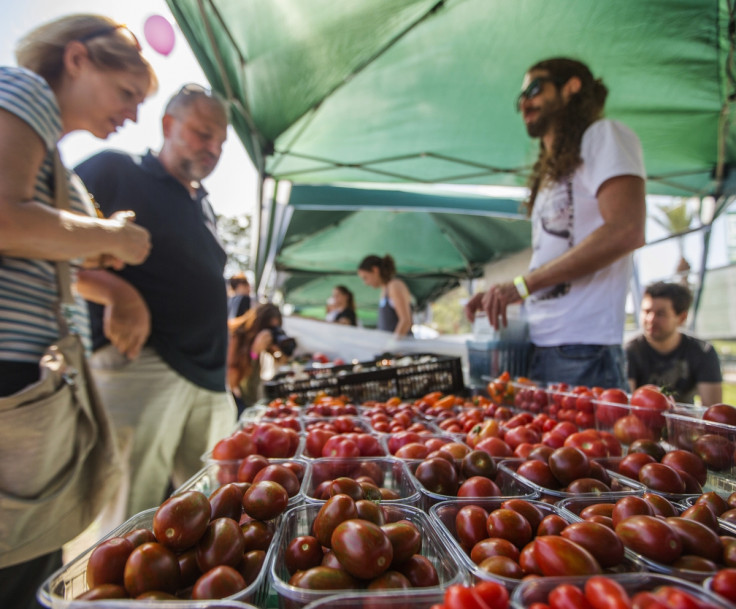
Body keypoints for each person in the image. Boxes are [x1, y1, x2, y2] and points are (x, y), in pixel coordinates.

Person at [0, 14, 156, 609]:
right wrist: (112, 241)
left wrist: (106, 275)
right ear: (76, 61)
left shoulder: (50, 153)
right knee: (19, 565)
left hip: (23, 377)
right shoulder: (26, 91)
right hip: (11, 379)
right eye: (127, 94)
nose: (132, 114)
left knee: (28, 560)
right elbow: (6, 218)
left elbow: (31, 243)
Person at [74, 83, 237, 525]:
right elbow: (44, 244)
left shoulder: (203, 205)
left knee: (212, 516)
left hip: (207, 378)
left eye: (220, 142)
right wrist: (115, 291)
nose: (213, 148)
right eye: (204, 134)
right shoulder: (115, 171)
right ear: (169, 124)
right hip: (143, 367)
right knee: (129, 521)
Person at [465, 57, 646, 389]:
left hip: (584, 352)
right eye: (520, 97)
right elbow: (552, 259)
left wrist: (522, 286)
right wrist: (504, 293)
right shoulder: (554, 172)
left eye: (534, 89)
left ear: (571, 87)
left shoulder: (603, 136)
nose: (524, 102)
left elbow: (626, 230)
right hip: (539, 345)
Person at [627, 281, 722, 405]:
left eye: (660, 314)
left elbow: (712, 410)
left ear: (682, 318)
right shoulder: (630, 351)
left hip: (684, 422)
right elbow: (627, 405)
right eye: (646, 311)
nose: (651, 319)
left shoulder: (703, 351)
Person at [227, 303, 290, 412]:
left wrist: (281, 350)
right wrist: (254, 352)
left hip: (252, 399)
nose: (269, 333)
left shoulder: (267, 339)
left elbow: (283, 362)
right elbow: (233, 379)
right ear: (258, 325)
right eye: (269, 328)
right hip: (237, 401)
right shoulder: (237, 336)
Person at [358, 254, 413, 337]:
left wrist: (392, 345)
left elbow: (406, 321)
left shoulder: (394, 285)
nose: (366, 283)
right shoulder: (384, 290)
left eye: (365, 277)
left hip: (401, 348)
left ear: (375, 270)